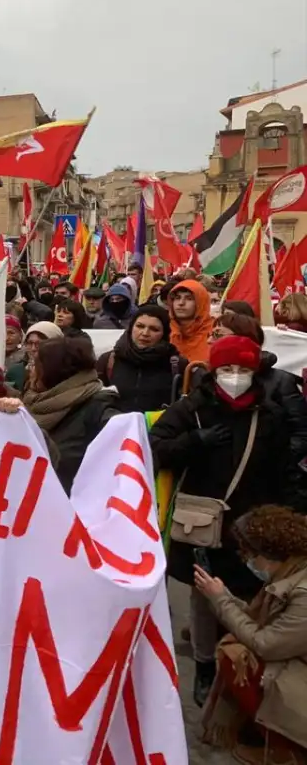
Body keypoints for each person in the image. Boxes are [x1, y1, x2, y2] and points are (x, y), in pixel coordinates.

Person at [150, 335, 307, 706]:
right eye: (226, 369)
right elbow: (156, 447)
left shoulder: (269, 414)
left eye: (242, 369)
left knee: (253, 596)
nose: (234, 376)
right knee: (205, 596)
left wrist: (292, 516)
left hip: (255, 524)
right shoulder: (193, 408)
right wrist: (195, 441)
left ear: (256, 372)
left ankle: (239, 664)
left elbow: (287, 469)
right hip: (202, 522)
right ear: (214, 370)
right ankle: (205, 667)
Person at [196, 506, 307, 763]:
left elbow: (265, 643)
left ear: (270, 554)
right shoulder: (292, 572)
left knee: (236, 658)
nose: (246, 560)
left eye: (249, 553)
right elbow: (264, 623)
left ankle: (288, 750)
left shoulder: (302, 592)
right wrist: (222, 596)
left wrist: (220, 602)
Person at [23, 336, 120, 492]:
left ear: (53, 371)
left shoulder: (100, 410)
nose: (30, 370)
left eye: (36, 365)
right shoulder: (31, 402)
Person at [212, 311, 307, 466]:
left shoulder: (280, 382)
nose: (209, 341)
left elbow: (302, 433)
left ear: (244, 338)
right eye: (210, 335)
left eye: (217, 335)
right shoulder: (208, 378)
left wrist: (275, 464)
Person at [96, 306, 187, 413]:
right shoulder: (109, 360)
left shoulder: (176, 365)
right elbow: (96, 402)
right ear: (131, 327)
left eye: (154, 329)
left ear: (164, 333)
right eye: (140, 326)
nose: (145, 333)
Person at [169, 279, 214, 365]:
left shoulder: (215, 332)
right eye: (177, 298)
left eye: (189, 298)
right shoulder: (162, 330)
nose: (181, 303)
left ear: (200, 302)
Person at [3, 316, 27, 390]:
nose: (6, 338)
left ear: (20, 336)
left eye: (11, 333)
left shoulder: (26, 359)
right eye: (2, 333)